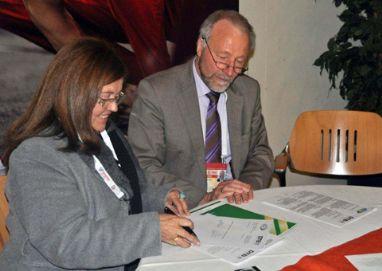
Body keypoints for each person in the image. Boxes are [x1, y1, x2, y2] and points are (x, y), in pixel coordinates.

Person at [0, 37, 199, 271]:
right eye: (105, 98)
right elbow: (68, 243)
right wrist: (153, 229)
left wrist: (163, 198)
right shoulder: (35, 156)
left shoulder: (104, 134)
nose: (114, 108)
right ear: (75, 93)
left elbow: (128, 195)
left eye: (117, 97)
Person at [128, 10, 274, 211]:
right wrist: (206, 197)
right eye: (222, 59)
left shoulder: (248, 90)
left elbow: (261, 152)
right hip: (186, 208)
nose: (229, 72)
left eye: (239, 63)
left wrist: (243, 189)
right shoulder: (156, 92)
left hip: (238, 205)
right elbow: (144, 164)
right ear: (200, 46)